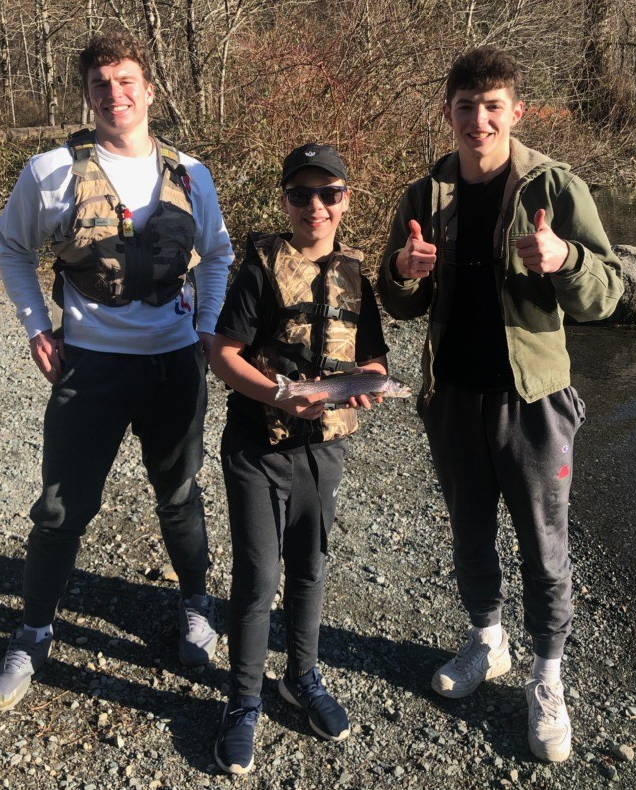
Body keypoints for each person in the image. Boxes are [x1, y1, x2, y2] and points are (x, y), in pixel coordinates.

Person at [377, 47, 623, 762]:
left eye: (492, 107)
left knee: (544, 548)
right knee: (468, 532)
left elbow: (605, 294)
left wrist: (565, 261)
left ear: (515, 112)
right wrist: (401, 272)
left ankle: (546, 677)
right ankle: (487, 640)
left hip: (535, 402)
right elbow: (399, 304)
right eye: (465, 106)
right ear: (447, 113)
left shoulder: (554, 186)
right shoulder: (424, 196)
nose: (478, 119)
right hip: (451, 397)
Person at [0, 32, 233, 712]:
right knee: (62, 508)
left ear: (149, 89)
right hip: (90, 365)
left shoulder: (192, 175)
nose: (115, 95)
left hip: (172, 365)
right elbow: (10, 247)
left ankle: (194, 606)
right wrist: (37, 326)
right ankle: (33, 630)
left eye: (126, 81)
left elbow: (216, 255)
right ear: (88, 95)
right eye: (101, 84)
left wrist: (207, 328)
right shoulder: (50, 172)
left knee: (179, 494)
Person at [209, 143, 389, 774]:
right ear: (285, 200)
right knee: (258, 579)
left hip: (324, 452)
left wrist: (368, 382)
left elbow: (374, 358)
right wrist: (280, 395)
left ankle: (302, 677)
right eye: (302, 194)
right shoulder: (260, 265)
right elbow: (222, 353)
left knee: (310, 568)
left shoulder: (355, 274)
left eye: (329, 194)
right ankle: (243, 700)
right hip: (258, 450)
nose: (316, 206)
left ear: (346, 201)